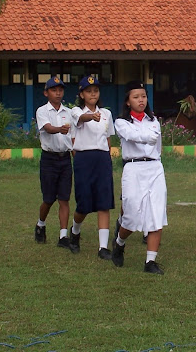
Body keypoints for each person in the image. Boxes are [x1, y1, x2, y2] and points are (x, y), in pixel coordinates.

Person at [112, 81, 167, 275]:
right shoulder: (121, 122)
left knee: (156, 213)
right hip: (133, 167)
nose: (141, 100)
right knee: (131, 214)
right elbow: (131, 135)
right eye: (136, 97)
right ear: (127, 101)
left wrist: (145, 135)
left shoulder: (153, 121)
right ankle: (119, 242)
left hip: (154, 166)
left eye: (143, 96)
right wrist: (146, 135)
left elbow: (156, 143)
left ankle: (150, 260)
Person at [69, 75, 115, 259]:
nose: (92, 94)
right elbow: (82, 118)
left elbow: (108, 138)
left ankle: (103, 248)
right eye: (88, 91)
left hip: (102, 157)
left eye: (95, 90)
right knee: (84, 204)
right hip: (84, 158)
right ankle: (75, 231)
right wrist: (91, 116)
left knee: (104, 202)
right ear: (81, 94)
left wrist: (107, 157)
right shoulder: (75, 111)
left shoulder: (107, 114)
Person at [34, 76, 73, 249]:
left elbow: (72, 137)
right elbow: (48, 129)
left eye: (60, 90)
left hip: (65, 159)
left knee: (64, 198)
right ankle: (41, 224)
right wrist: (60, 129)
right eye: (54, 90)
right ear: (46, 93)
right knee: (49, 199)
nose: (58, 93)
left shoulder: (69, 112)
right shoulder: (42, 111)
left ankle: (63, 236)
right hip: (49, 159)